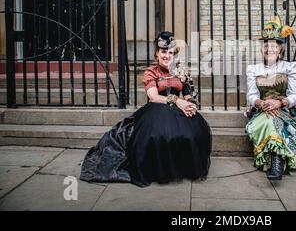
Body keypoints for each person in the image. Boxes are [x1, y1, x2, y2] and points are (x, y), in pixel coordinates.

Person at [80, 31, 212, 187]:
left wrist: (189, 104)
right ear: (157, 53)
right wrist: (178, 101)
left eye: (170, 53)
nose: (167, 56)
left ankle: (183, 168)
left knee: (194, 131)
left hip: (178, 110)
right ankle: (160, 170)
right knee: (159, 134)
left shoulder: (180, 71)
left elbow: (188, 93)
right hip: (156, 110)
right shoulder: (151, 72)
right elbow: (154, 97)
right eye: (163, 52)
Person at [245, 15, 296, 180]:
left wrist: (279, 102)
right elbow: (252, 95)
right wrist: (261, 103)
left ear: (281, 49)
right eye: (266, 46)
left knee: (274, 120)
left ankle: (276, 162)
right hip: (262, 110)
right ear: (262, 49)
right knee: (268, 119)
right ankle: (277, 161)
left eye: (274, 46)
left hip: (286, 111)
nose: (269, 49)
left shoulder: (290, 67)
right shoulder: (254, 69)